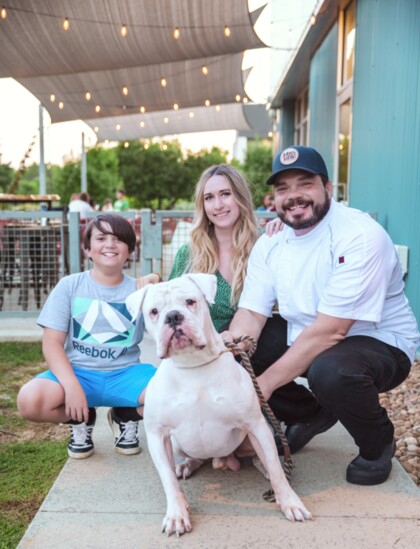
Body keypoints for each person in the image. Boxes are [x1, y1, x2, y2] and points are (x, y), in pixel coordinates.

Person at [225, 145, 420, 485]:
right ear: (274, 197)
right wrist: (230, 352)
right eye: (283, 188)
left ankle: (377, 444)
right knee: (239, 351)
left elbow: (330, 332)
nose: (294, 196)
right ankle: (309, 414)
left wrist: (261, 388)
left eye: (305, 184)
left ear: (328, 188)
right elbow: (252, 312)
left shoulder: (360, 236)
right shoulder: (271, 242)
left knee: (329, 371)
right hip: (309, 331)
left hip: (379, 340)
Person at [169, 163, 321, 437]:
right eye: (209, 197)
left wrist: (285, 227)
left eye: (225, 194)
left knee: (258, 346)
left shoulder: (267, 242)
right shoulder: (189, 254)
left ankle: (308, 411)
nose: (218, 204)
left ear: (240, 196)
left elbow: (306, 247)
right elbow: (171, 308)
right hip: (202, 354)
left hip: (248, 350)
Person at [17, 213, 158, 459]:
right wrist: (71, 386)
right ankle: (81, 417)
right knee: (29, 400)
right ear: (87, 249)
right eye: (101, 238)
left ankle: (126, 415)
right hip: (79, 374)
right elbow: (52, 343)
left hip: (126, 374)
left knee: (177, 396)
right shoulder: (70, 286)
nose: (110, 244)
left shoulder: (141, 290)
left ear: (130, 250)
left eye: (118, 239)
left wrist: (157, 280)